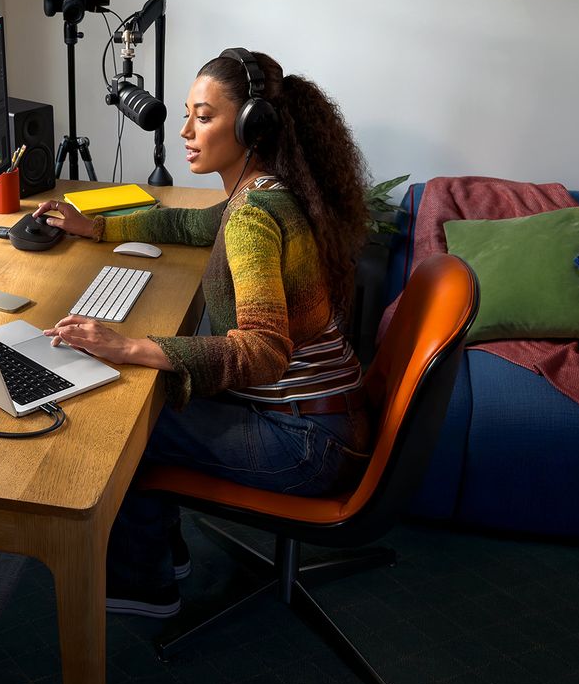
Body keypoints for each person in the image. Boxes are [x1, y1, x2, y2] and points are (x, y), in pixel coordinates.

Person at [34, 48, 372, 617]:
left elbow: (262, 352)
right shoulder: (265, 191)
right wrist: (94, 227)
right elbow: (188, 222)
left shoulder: (254, 216)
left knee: (123, 427)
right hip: (328, 417)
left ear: (251, 127)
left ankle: (144, 584)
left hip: (306, 442)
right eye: (188, 114)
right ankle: (164, 555)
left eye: (204, 117)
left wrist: (130, 345)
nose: (185, 131)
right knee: (150, 400)